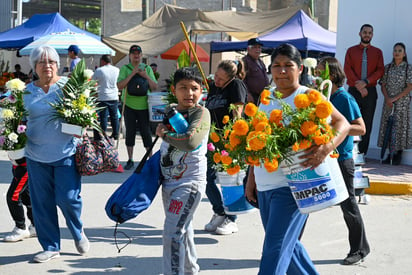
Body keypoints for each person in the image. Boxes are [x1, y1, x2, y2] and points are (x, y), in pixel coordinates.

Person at [245, 43, 350, 275]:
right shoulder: (266, 98)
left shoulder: (309, 96)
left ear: (300, 68)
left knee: (274, 250)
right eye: (276, 66)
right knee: (288, 248)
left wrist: (326, 147)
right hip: (264, 185)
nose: (282, 71)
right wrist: (251, 180)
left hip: (294, 185)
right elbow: (256, 141)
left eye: (288, 66)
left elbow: (342, 123)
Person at [23, 45, 89, 263]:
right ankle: (50, 246)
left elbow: (84, 118)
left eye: (51, 61)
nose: (47, 66)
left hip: (65, 154)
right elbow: (14, 119)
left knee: (68, 199)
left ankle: (78, 231)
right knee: (42, 202)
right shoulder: (25, 91)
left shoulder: (68, 86)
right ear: (34, 66)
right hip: (35, 156)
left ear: (57, 64)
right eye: (41, 62)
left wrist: (82, 126)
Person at [155, 67, 211, 275]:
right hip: (169, 182)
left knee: (172, 232)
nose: (189, 93)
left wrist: (165, 135)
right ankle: (190, 270)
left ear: (201, 91)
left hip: (190, 183)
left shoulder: (201, 113)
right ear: (174, 89)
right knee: (183, 229)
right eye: (183, 88)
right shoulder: (171, 112)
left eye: (194, 88)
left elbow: (190, 140)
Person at [318, 56, 370, 265]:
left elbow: (361, 128)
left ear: (331, 74)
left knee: (348, 205)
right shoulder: (322, 97)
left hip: (342, 159)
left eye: (319, 71)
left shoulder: (344, 98)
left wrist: (337, 129)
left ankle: (359, 249)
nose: (315, 76)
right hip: (325, 158)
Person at [204, 60, 247, 235]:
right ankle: (220, 211)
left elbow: (238, 113)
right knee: (206, 178)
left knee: (230, 181)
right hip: (211, 140)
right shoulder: (214, 86)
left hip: (229, 139)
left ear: (231, 78)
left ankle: (232, 218)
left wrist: (234, 141)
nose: (218, 81)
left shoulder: (236, 85)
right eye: (217, 76)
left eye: (222, 79)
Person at [344, 24, 384, 158]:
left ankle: (362, 154)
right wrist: (359, 86)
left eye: (370, 33)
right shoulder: (351, 51)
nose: (367, 34)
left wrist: (366, 83)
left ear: (372, 35)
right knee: (351, 120)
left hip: (370, 91)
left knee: (367, 122)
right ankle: (350, 151)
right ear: (359, 33)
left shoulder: (377, 52)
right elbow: (347, 69)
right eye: (365, 32)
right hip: (354, 91)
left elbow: (380, 70)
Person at [117, 45, 158, 170]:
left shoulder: (147, 69)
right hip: (128, 105)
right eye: (134, 53)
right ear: (130, 55)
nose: (136, 55)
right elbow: (119, 86)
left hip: (144, 106)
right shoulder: (125, 69)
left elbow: (154, 87)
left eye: (138, 53)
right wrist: (132, 74)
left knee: (146, 132)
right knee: (130, 132)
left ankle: (150, 158)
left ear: (141, 55)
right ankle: (130, 159)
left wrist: (145, 76)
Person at [378, 42, 412, 165]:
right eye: (395, 50)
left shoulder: (408, 68)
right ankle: (388, 153)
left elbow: (409, 87)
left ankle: (398, 154)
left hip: (402, 103)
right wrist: (388, 98)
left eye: (400, 51)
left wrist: (395, 98)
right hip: (389, 103)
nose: (397, 53)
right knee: (388, 127)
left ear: (404, 54)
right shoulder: (388, 68)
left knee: (399, 127)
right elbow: (383, 85)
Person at [3, 155, 36, 242]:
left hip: (26, 165)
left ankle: (20, 228)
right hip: (18, 164)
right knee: (26, 196)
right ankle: (36, 225)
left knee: (13, 196)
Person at [92, 54, 120, 140]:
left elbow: (93, 82)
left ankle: (103, 134)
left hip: (103, 96)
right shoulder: (117, 70)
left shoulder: (99, 70)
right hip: (114, 95)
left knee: (103, 117)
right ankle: (116, 134)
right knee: (114, 116)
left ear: (103, 61)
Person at [242, 38, 269, 105]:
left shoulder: (260, 61)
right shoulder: (244, 61)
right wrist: (247, 93)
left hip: (263, 96)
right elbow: (241, 79)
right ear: (248, 49)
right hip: (252, 97)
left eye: (259, 47)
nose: (258, 50)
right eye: (255, 47)